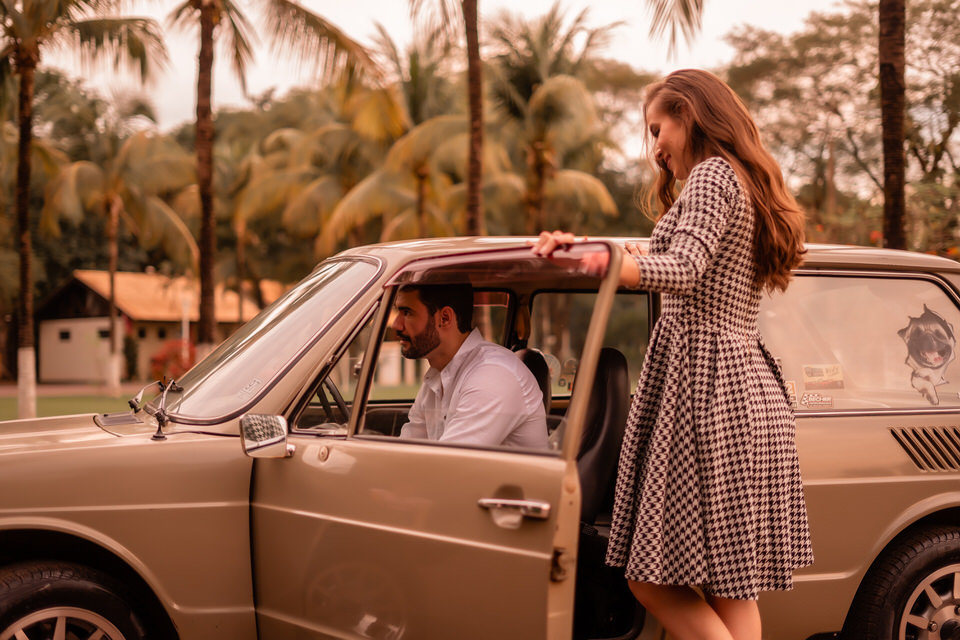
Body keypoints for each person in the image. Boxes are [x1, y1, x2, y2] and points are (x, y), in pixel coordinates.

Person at [532, 69, 814, 640]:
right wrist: (598, 249)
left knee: (651, 579)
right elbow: (675, 252)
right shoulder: (742, 182)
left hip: (707, 395)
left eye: (658, 128)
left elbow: (680, 267)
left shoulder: (711, 176)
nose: (655, 146)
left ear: (688, 115)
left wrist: (603, 264)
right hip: (745, 394)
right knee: (731, 588)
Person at [392, 282, 549, 449]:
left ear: (445, 318)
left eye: (407, 313)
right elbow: (407, 450)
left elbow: (447, 467)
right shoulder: (437, 376)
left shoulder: (492, 376)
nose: (396, 324)